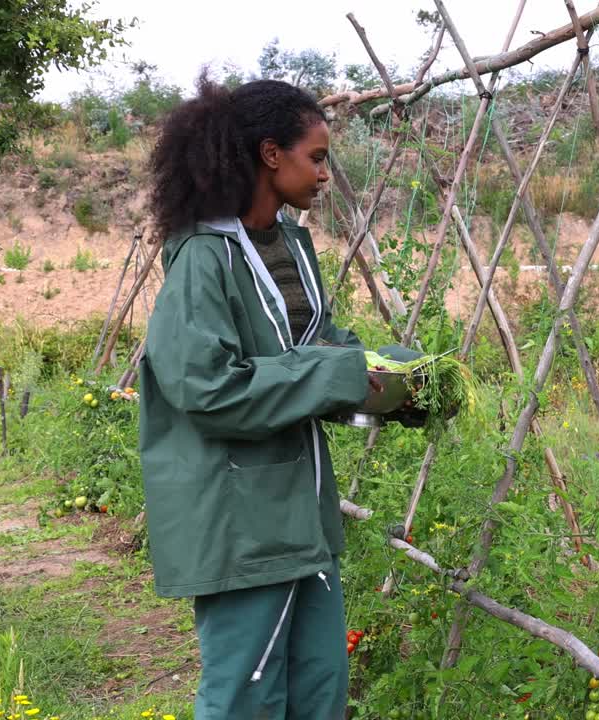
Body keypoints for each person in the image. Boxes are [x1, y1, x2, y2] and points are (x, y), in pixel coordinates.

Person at [139, 76, 410, 720]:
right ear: (270, 155)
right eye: (315, 157)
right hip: (239, 517)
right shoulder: (204, 258)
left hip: (299, 510)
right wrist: (338, 375)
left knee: (320, 686)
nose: (324, 174)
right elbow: (207, 388)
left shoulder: (289, 245)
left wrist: (397, 374)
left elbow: (312, 343)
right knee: (246, 695)